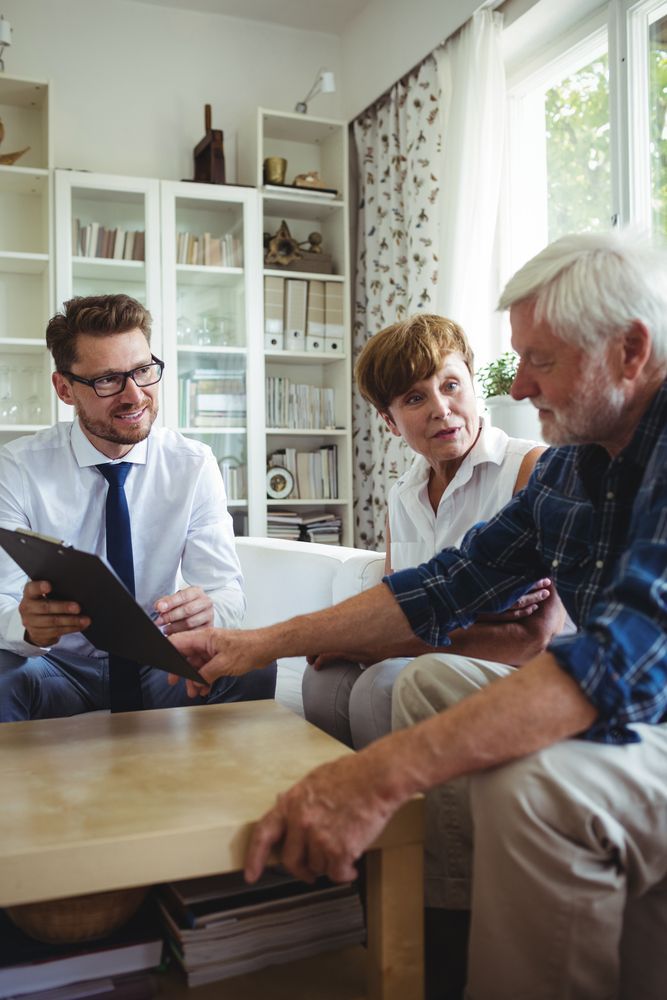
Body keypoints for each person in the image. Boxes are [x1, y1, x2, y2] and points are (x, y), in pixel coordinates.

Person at [170, 230, 667, 1000]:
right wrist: (254, 644)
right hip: (633, 709)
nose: (521, 385)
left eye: (540, 360)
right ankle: (443, 920)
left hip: (647, 710)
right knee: (429, 685)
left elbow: (618, 659)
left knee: (536, 786)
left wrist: (372, 780)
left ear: (630, 352)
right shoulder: (572, 467)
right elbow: (440, 587)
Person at [0, 293, 275, 722]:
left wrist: (209, 610)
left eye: (144, 371)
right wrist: (28, 626)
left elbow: (226, 591)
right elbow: (3, 597)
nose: (135, 396)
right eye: (108, 380)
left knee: (253, 665)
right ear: (65, 389)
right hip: (58, 666)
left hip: (161, 664)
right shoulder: (17, 468)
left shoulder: (193, 464)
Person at [302, 313, 563, 749]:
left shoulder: (531, 469)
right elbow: (395, 611)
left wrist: (391, 640)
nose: (442, 409)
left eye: (451, 385)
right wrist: (476, 612)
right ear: (389, 421)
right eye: (415, 398)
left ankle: (401, 812)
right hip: (448, 657)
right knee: (323, 678)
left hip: (525, 668)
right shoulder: (402, 495)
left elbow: (532, 636)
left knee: (381, 683)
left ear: (473, 384)